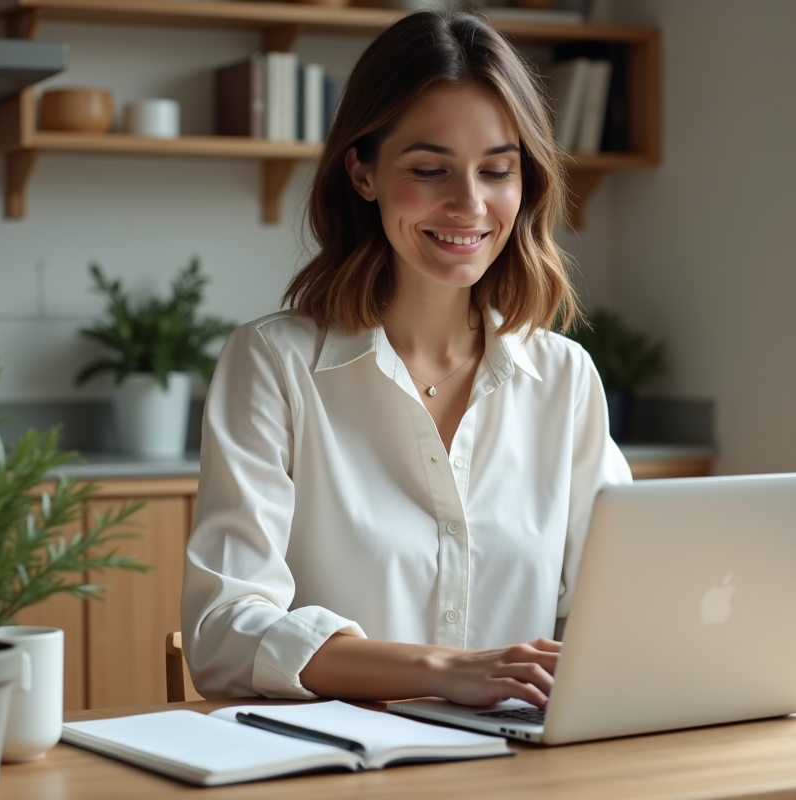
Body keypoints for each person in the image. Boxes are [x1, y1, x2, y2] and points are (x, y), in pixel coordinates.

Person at [181, 9, 631, 709]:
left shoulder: (564, 379)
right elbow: (223, 634)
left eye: (497, 171)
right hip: (336, 768)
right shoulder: (273, 364)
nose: (470, 205)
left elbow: (619, 610)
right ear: (363, 173)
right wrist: (442, 670)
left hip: (522, 770)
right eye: (430, 169)